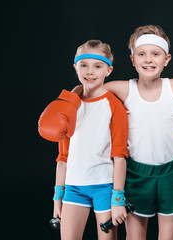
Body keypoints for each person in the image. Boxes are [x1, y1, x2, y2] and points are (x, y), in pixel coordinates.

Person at [69, 25, 173, 240]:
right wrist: (68, 100)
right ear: (132, 60)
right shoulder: (123, 88)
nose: (148, 60)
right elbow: (88, 90)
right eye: (142, 54)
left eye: (155, 54)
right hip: (136, 175)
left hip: (171, 173)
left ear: (166, 59)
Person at [42, 40, 129, 240]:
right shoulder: (68, 107)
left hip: (104, 186)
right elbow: (63, 156)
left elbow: (120, 156)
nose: (90, 71)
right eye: (84, 65)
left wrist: (118, 199)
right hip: (73, 186)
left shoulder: (114, 106)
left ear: (108, 70)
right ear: (75, 67)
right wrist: (58, 197)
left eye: (97, 66)